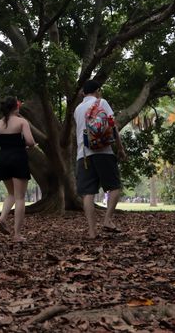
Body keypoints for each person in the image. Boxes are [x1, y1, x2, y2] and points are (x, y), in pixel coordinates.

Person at [74, 80, 126, 238]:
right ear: (98, 90)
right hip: (103, 151)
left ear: (83, 93)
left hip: (83, 155)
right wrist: (120, 148)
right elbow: (112, 125)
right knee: (115, 187)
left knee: (88, 193)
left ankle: (91, 231)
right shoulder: (101, 102)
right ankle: (107, 220)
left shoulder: (77, 109)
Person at [0, 97, 36, 242]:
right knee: (20, 197)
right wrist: (31, 145)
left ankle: (2, 218)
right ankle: (17, 234)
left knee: (11, 193)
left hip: (3, 161)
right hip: (18, 159)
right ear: (16, 107)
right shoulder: (22, 122)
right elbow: (30, 142)